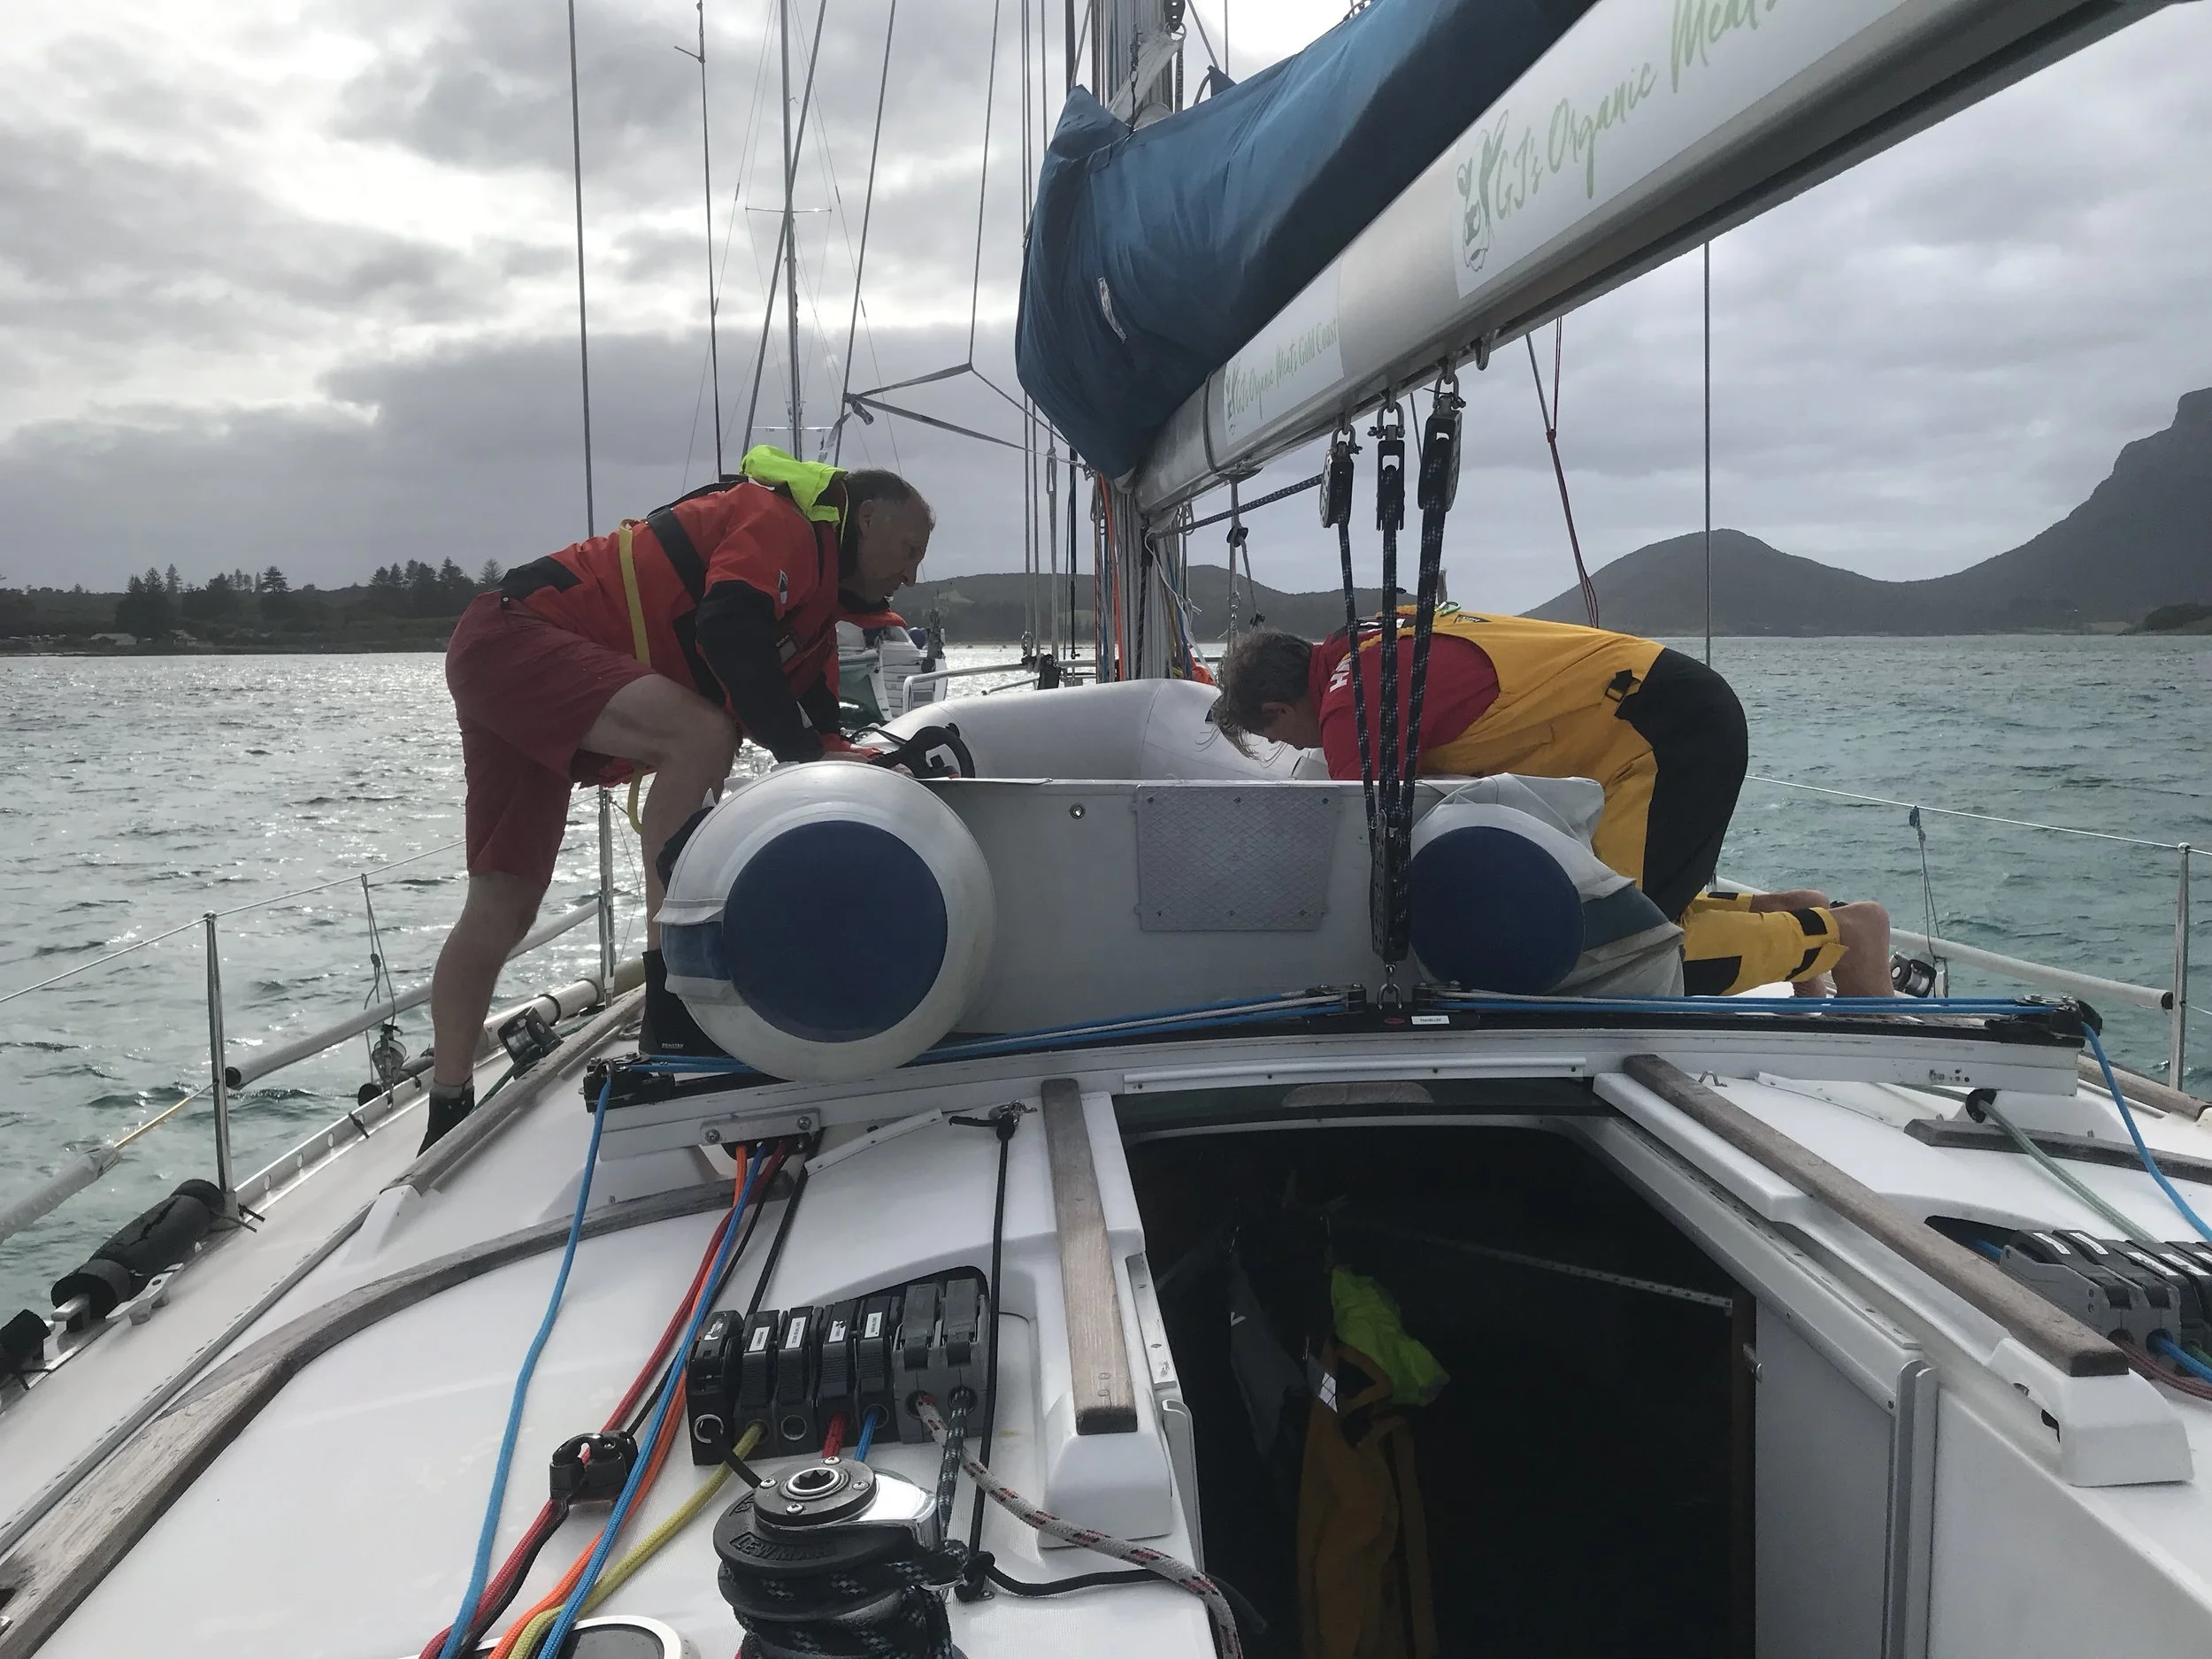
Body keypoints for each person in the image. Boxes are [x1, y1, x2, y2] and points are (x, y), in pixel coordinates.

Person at [420, 448, 934, 1148]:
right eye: (908, 551)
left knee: (503, 903)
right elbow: (726, 624)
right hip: (518, 636)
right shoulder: (779, 522)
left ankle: (446, 1110)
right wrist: (804, 748)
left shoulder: (813, 608)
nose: (912, 574)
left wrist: (861, 761)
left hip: (495, 652)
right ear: (866, 518)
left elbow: (808, 722)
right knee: (699, 732)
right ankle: (671, 1003)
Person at [1210, 607, 1894, 999]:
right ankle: (1795, 914)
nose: (1308, 749)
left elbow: (1359, 849)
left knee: (1631, 955)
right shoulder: (1371, 638)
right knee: (1636, 902)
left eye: (1278, 737)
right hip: (1669, 710)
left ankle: (1844, 937)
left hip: (1661, 736)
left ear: (1277, 710)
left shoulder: (1346, 706)